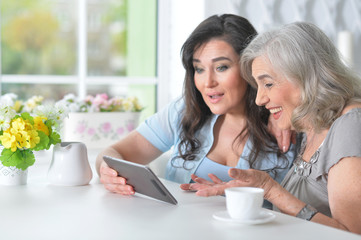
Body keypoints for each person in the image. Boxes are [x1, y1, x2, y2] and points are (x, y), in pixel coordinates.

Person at [181, 22, 361, 234]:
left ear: (305, 76)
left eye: (268, 84)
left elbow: (351, 234)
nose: (259, 99)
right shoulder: (310, 126)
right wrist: (255, 190)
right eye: (258, 87)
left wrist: (271, 190)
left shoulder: (351, 124)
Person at [96, 14, 295, 197]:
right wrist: (107, 172)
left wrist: (284, 115)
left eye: (221, 67)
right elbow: (112, 153)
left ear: (250, 66)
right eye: (199, 69)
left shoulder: (286, 122)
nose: (208, 82)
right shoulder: (184, 111)